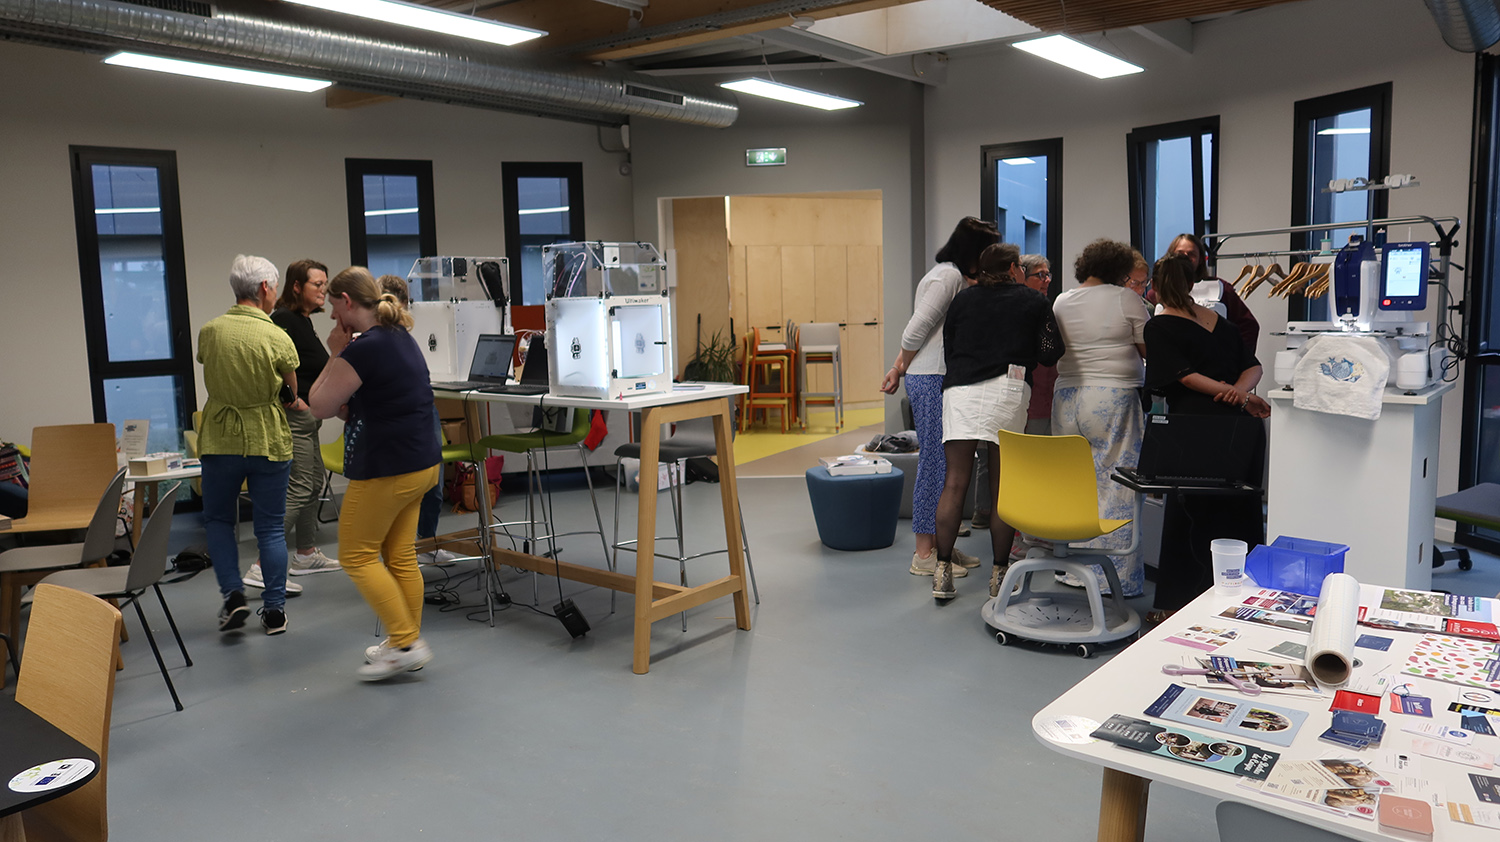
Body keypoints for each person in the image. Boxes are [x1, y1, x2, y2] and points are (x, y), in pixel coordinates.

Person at [309, 267, 441, 680]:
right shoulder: (397, 335)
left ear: (348, 301)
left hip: (389, 467)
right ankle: (405, 643)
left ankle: (406, 643)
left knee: (356, 555)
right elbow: (356, 403)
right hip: (422, 463)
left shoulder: (364, 348)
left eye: (334, 308)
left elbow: (319, 406)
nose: (333, 317)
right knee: (399, 556)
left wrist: (334, 352)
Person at [931, 243, 1064, 601]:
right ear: (1013, 268)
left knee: (954, 482)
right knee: (1002, 487)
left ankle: (942, 572)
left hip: (960, 390)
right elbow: (1051, 352)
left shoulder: (962, 300)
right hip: (1008, 389)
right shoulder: (1032, 301)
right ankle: (999, 575)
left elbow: (949, 345)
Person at [1144, 254, 1270, 622]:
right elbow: (1254, 367)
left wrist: (1231, 393)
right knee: (1240, 515)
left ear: (1155, 286)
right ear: (1192, 284)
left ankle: (1176, 607)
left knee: (1187, 519)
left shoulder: (1159, 327)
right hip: (1238, 430)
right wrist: (1240, 395)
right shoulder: (1222, 324)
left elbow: (1184, 377)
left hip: (1194, 429)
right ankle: (1243, 601)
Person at [881, 217, 998, 580]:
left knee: (945, 467)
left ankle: (939, 544)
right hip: (931, 378)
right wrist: (900, 366)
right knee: (934, 465)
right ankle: (924, 553)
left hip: (935, 375)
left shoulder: (951, 275)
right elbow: (914, 330)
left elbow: (924, 332)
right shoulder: (947, 277)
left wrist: (899, 367)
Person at [197, 255, 300, 635]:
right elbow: (291, 391)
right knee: (270, 528)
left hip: (220, 439)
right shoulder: (277, 336)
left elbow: (209, 365)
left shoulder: (210, 331)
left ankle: (233, 596)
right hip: (267, 439)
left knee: (219, 521)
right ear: (264, 288)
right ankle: (274, 612)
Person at [1050, 239, 1152, 598]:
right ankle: (1114, 580)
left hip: (1067, 398)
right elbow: (1149, 348)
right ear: (1119, 269)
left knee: (1075, 485)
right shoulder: (1126, 299)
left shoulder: (1062, 300)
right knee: (1118, 486)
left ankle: (1072, 571)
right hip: (1113, 397)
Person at [246, 259, 340, 593]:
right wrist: (295, 401)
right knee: (300, 487)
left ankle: (306, 554)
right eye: (317, 284)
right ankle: (261, 565)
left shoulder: (301, 320)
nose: (323, 290)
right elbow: (272, 367)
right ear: (297, 286)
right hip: (295, 417)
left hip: (308, 416)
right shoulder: (284, 319)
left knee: (313, 482)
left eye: (325, 284)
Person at [376, 273, 460, 566]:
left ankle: (426, 543)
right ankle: (397, 552)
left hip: (422, 412)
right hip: (392, 418)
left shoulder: (410, 334)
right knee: (398, 489)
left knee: (433, 484)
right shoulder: (373, 339)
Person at [1157, 233, 1261, 355]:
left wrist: (1237, 357)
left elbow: (1249, 326)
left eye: (1191, 254)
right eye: (1180, 254)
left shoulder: (1221, 289)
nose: (1185, 258)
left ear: (1201, 259)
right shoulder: (1158, 292)